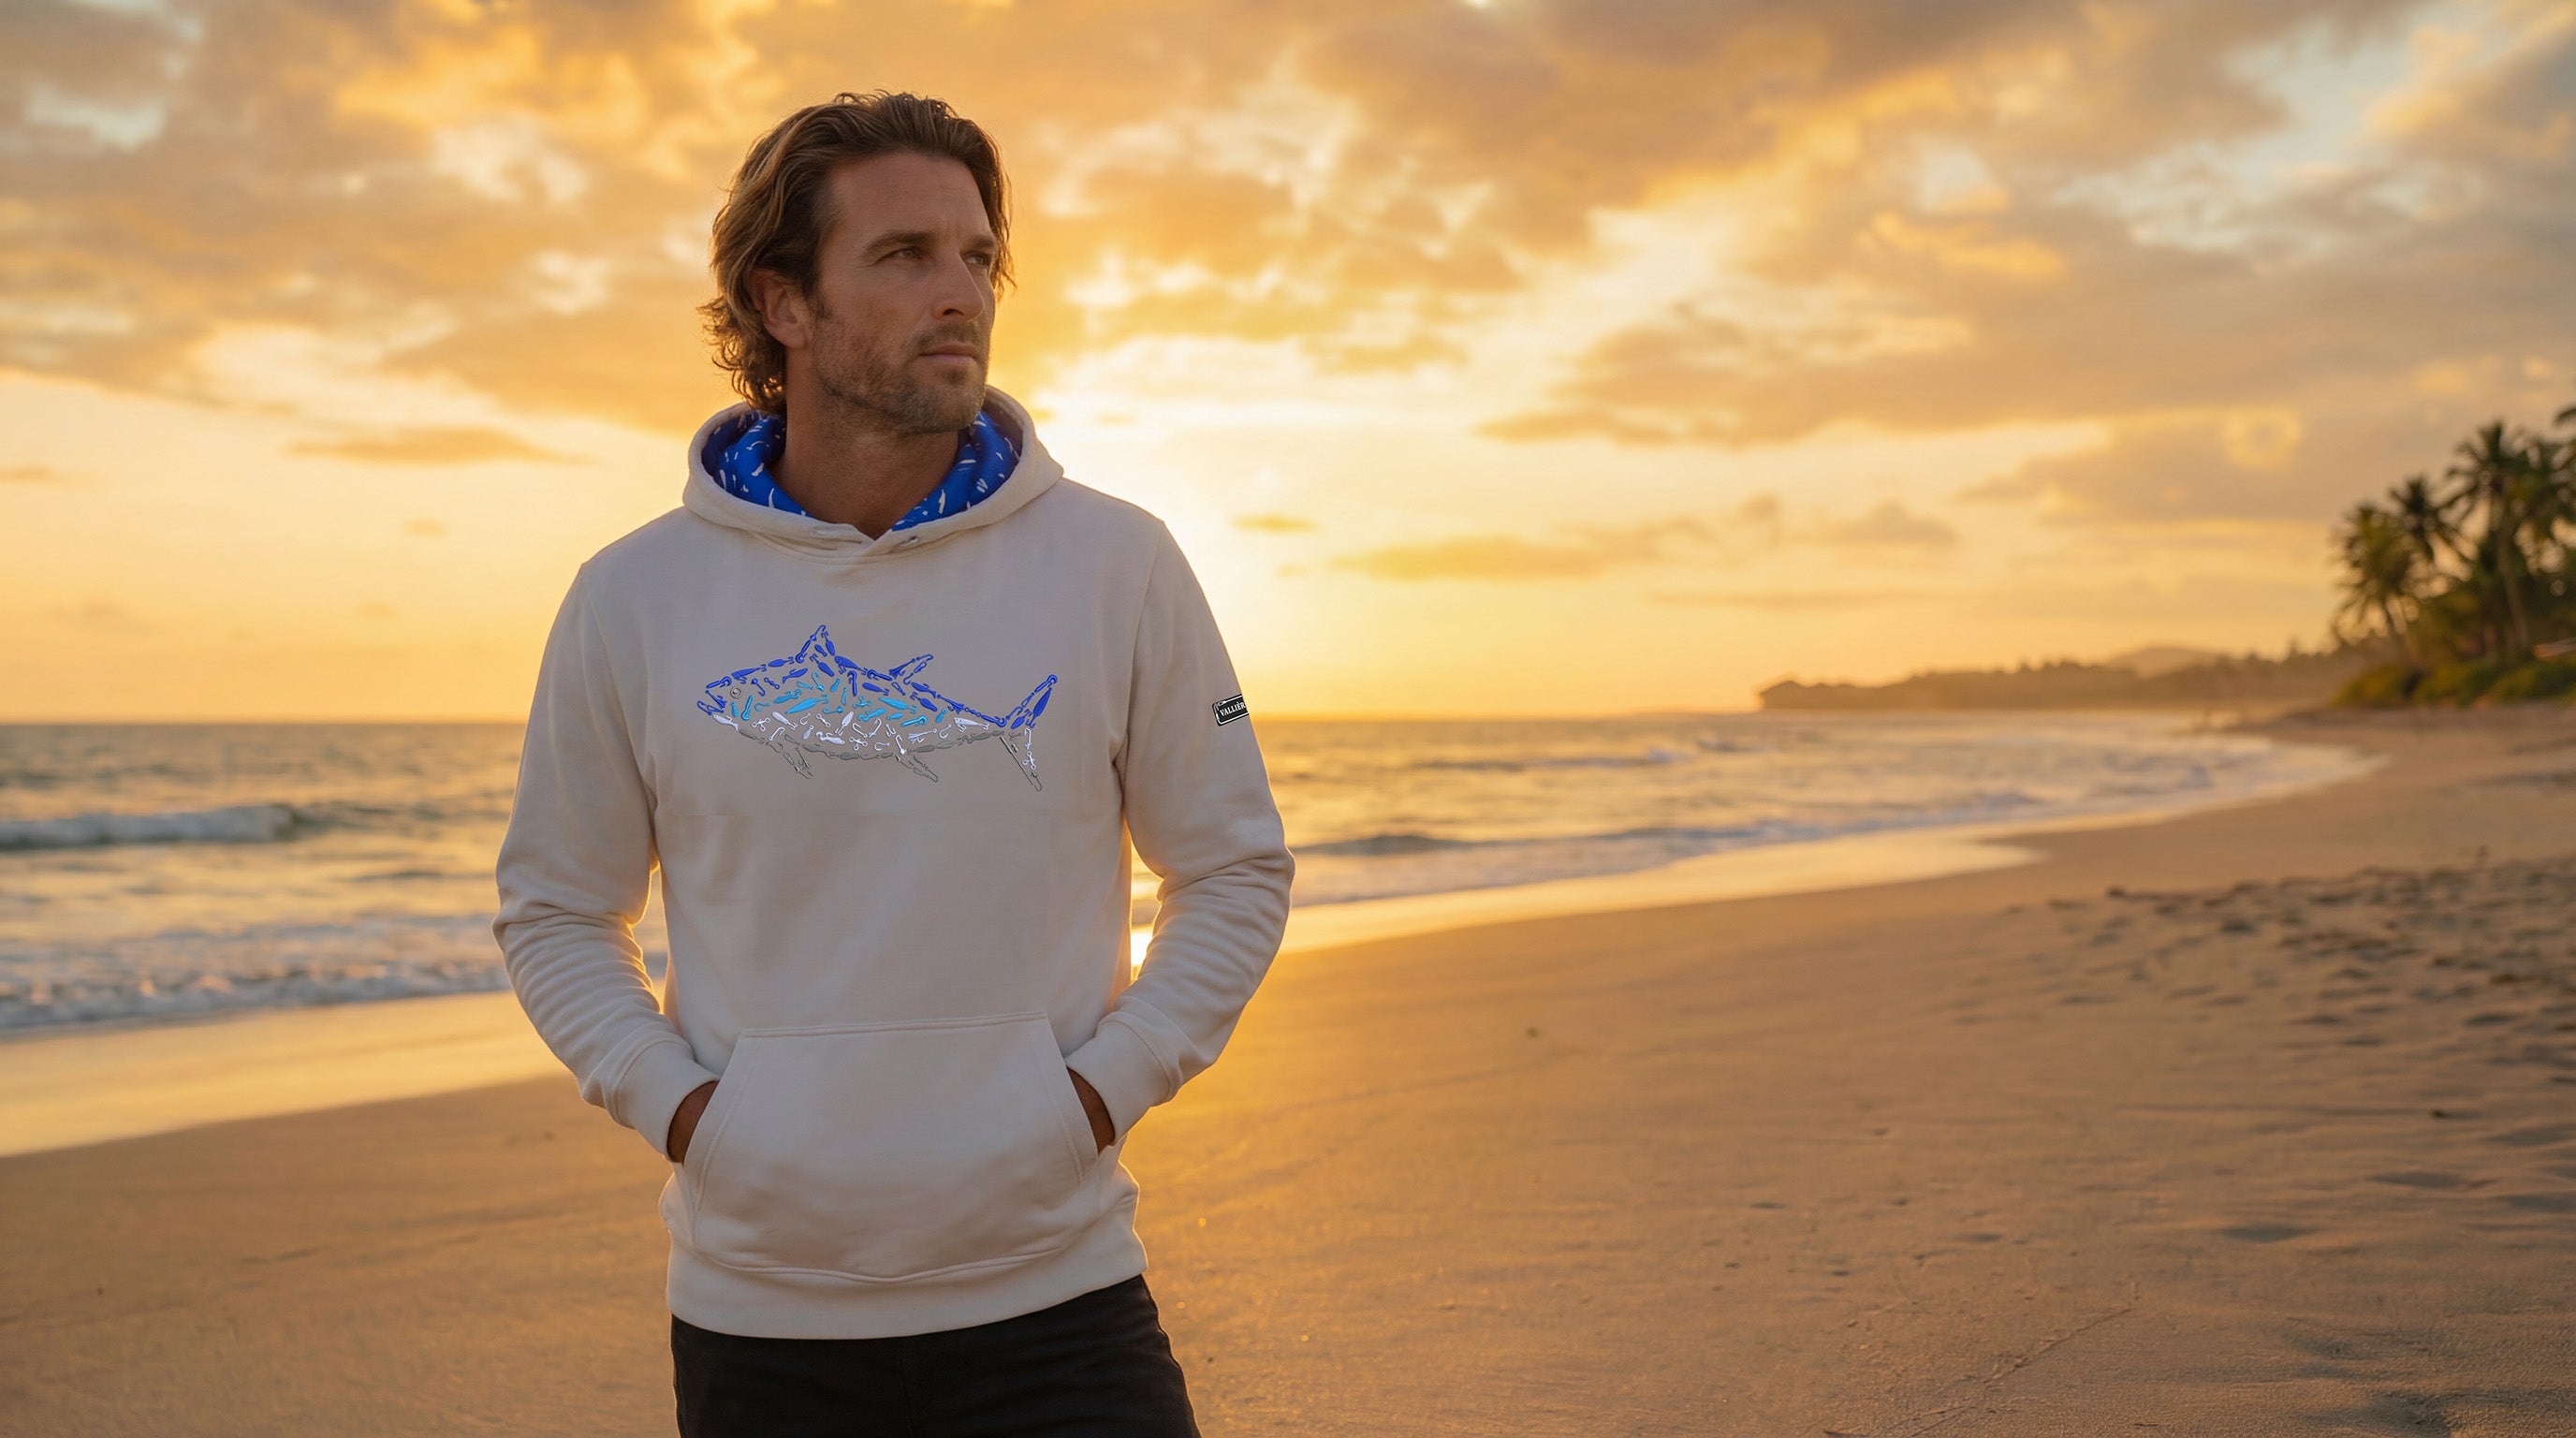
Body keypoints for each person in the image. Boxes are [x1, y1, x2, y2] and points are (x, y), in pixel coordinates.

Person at [493, 89, 1295, 1437]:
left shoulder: (1116, 563)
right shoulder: (635, 597)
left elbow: (1232, 868)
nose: (960, 293)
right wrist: (697, 1119)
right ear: (783, 306)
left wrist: (1095, 1095)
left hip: (1061, 1293)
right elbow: (559, 910)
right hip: (764, 1317)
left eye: (977, 257)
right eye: (904, 255)